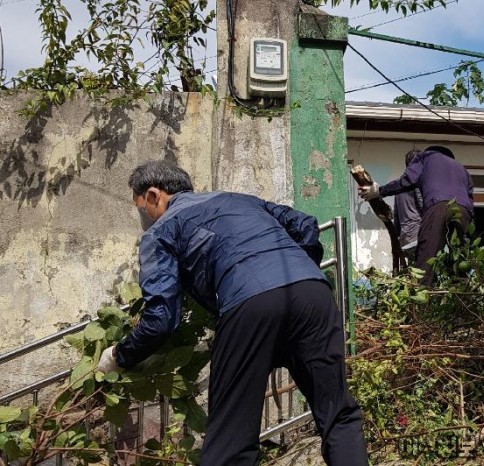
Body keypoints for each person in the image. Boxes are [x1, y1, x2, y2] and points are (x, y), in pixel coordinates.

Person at [97, 160, 369, 466]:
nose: (143, 217)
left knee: (231, 441)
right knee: (338, 415)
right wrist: (297, 273)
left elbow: (161, 319)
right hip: (313, 295)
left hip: (249, 305)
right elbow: (304, 223)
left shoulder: (161, 231)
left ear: (152, 196)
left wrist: (119, 356)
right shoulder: (239, 199)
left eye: (140, 208)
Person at [359, 146, 474, 285]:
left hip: (437, 206)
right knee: (458, 257)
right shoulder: (462, 168)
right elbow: (470, 198)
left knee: (425, 260)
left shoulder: (425, 157)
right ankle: (461, 295)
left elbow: (408, 180)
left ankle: (421, 301)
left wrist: (379, 191)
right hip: (463, 210)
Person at [392, 150, 423, 261]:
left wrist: (398, 237)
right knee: (425, 273)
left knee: (414, 273)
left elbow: (396, 216)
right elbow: (423, 205)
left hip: (406, 238)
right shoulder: (416, 182)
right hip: (418, 235)